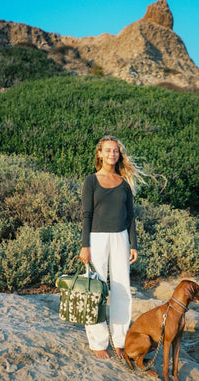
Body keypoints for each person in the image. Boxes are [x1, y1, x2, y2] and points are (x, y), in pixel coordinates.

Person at [79, 135, 146, 360]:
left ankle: (119, 340)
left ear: (119, 154)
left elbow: (131, 217)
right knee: (96, 291)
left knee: (122, 289)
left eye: (115, 151)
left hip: (121, 239)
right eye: (107, 150)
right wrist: (85, 245)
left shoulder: (124, 183)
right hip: (96, 239)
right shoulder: (91, 181)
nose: (112, 154)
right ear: (99, 154)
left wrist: (133, 244)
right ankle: (98, 342)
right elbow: (86, 214)